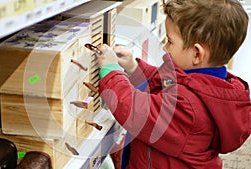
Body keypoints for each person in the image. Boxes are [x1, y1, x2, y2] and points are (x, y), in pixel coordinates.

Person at [94, 0, 251, 168]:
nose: (165, 47)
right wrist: (134, 67)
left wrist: (111, 72)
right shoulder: (207, 84)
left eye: (170, 41)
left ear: (197, 53)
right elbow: (167, 81)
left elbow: (135, 110)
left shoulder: (188, 109)